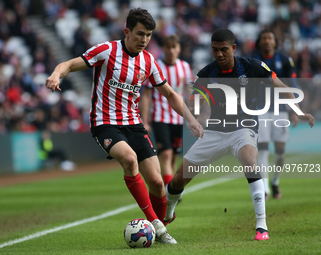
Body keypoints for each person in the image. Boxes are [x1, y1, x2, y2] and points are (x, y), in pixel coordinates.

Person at [45, 8, 204, 244]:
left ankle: (160, 227)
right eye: (140, 34)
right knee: (129, 160)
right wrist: (57, 74)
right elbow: (68, 64)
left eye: (149, 35)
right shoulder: (106, 51)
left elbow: (170, 93)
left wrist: (190, 119)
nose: (144, 40)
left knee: (159, 184)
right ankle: (157, 226)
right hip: (105, 123)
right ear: (127, 31)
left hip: (134, 124)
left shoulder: (149, 61)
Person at [164, 28, 315, 241]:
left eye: (224, 49)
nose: (219, 54)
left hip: (243, 128)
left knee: (249, 161)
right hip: (214, 131)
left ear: (233, 48)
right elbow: (195, 101)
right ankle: (169, 210)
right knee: (178, 180)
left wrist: (298, 110)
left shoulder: (252, 67)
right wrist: (195, 120)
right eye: (215, 50)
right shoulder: (207, 73)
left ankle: (261, 226)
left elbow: (280, 86)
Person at [141, 35, 193, 186]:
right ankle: (170, 190)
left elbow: (189, 92)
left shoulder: (185, 66)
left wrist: (192, 116)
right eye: (168, 47)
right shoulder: (155, 66)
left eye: (174, 47)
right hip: (159, 117)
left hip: (178, 118)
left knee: (175, 155)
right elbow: (146, 96)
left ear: (179, 49)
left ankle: (170, 186)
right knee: (166, 154)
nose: (171, 51)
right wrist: (145, 121)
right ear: (163, 49)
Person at [255, 30, 299, 200]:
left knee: (280, 149)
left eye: (270, 38)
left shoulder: (285, 60)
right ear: (259, 42)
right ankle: (265, 187)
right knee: (263, 148)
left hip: (280, 109)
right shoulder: (252, 60)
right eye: (264, 38)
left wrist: (295, 109)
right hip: (260, 109)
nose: (267, 41)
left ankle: (275, 181)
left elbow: (293, 84)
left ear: (275, 42)